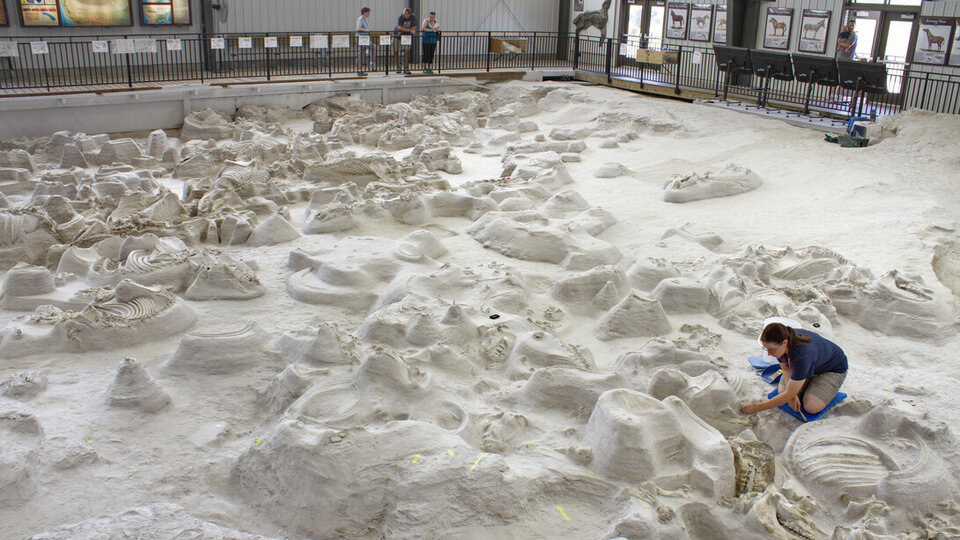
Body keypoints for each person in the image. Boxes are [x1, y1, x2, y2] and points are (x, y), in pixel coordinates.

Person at [740, 322, 848, 417]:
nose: (769, 353)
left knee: (811, 407)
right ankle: (804, 379)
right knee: (782, 392)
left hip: (831, 370)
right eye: (766, 349)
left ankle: (810, 381)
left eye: (771, 350)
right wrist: (792, 395)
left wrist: (758, 407)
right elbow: (786, 370)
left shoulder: (803, 356)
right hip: (812, 365)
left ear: (785, 343)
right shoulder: (782, 340)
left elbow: (788, 394)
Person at [833, 20, 858, 101]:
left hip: (846, 61)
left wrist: (840, 43)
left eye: (852, 25)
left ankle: (840, 95)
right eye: (850, 25)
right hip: (839, 58)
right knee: (836, 77)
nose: (851, 27)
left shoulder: (853, 36)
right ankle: (833, 95)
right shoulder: (844, 34)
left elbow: (848, 45)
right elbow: (839, 40)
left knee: (843, 78)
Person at [394, 7, 418, 74]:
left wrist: (404, 29)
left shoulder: (413, 17)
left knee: (407, 51)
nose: (404, 15)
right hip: (397, 35)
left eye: (406, 14)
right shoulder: (401, 17)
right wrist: (409, 30)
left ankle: (406, 67)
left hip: (406, 36)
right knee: (396, 50)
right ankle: (398, 67)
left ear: (409, 14)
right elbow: (399, 27)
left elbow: (414, 27)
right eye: (404, 13)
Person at [356, 7, 374, 76]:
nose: (369, 14)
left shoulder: (365, 19)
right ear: (365, 12)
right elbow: (359, 28)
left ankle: (371, 63)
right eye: (368, 12)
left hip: (365, 38)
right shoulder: (360, 19)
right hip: (361, 38)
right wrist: (367, 30)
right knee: (361, 53)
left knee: (369, 49)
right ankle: (359, 69)